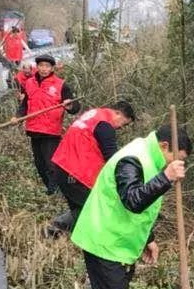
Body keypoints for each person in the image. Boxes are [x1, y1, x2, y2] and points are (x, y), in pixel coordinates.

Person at [71, 123, 190, 289]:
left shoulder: (147, 157)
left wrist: (149, 238)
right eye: (175, 159)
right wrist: (166, 178)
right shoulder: (132, 159)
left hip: (117, 240)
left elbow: (143, 204)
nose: (175, 164)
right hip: (105, 240)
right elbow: (133, 200)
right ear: (164, 146)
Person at [47, 99, 136, 235]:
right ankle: (54, 228)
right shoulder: (105, 125)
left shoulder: (94, 114)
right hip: (75, 173)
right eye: (123, 123)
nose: (120, 128)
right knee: (93, 208)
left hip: (63, 166)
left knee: (82, 208)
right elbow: (111, 157)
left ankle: (64, 236)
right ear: (117, 113)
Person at [15, 55, 78, 194]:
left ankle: (54, 191)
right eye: (41, 65)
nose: (44, 69)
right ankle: (49, 189)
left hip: (51, 131)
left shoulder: (61, 85)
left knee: (51, 163)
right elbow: (25, 104)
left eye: (47, 66)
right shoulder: (30, 83)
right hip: (33, 129)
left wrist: (69, 106)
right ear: (37, 67)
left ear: (52, 68)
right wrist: (18, 116)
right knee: (39, 164)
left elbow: (75, 108)